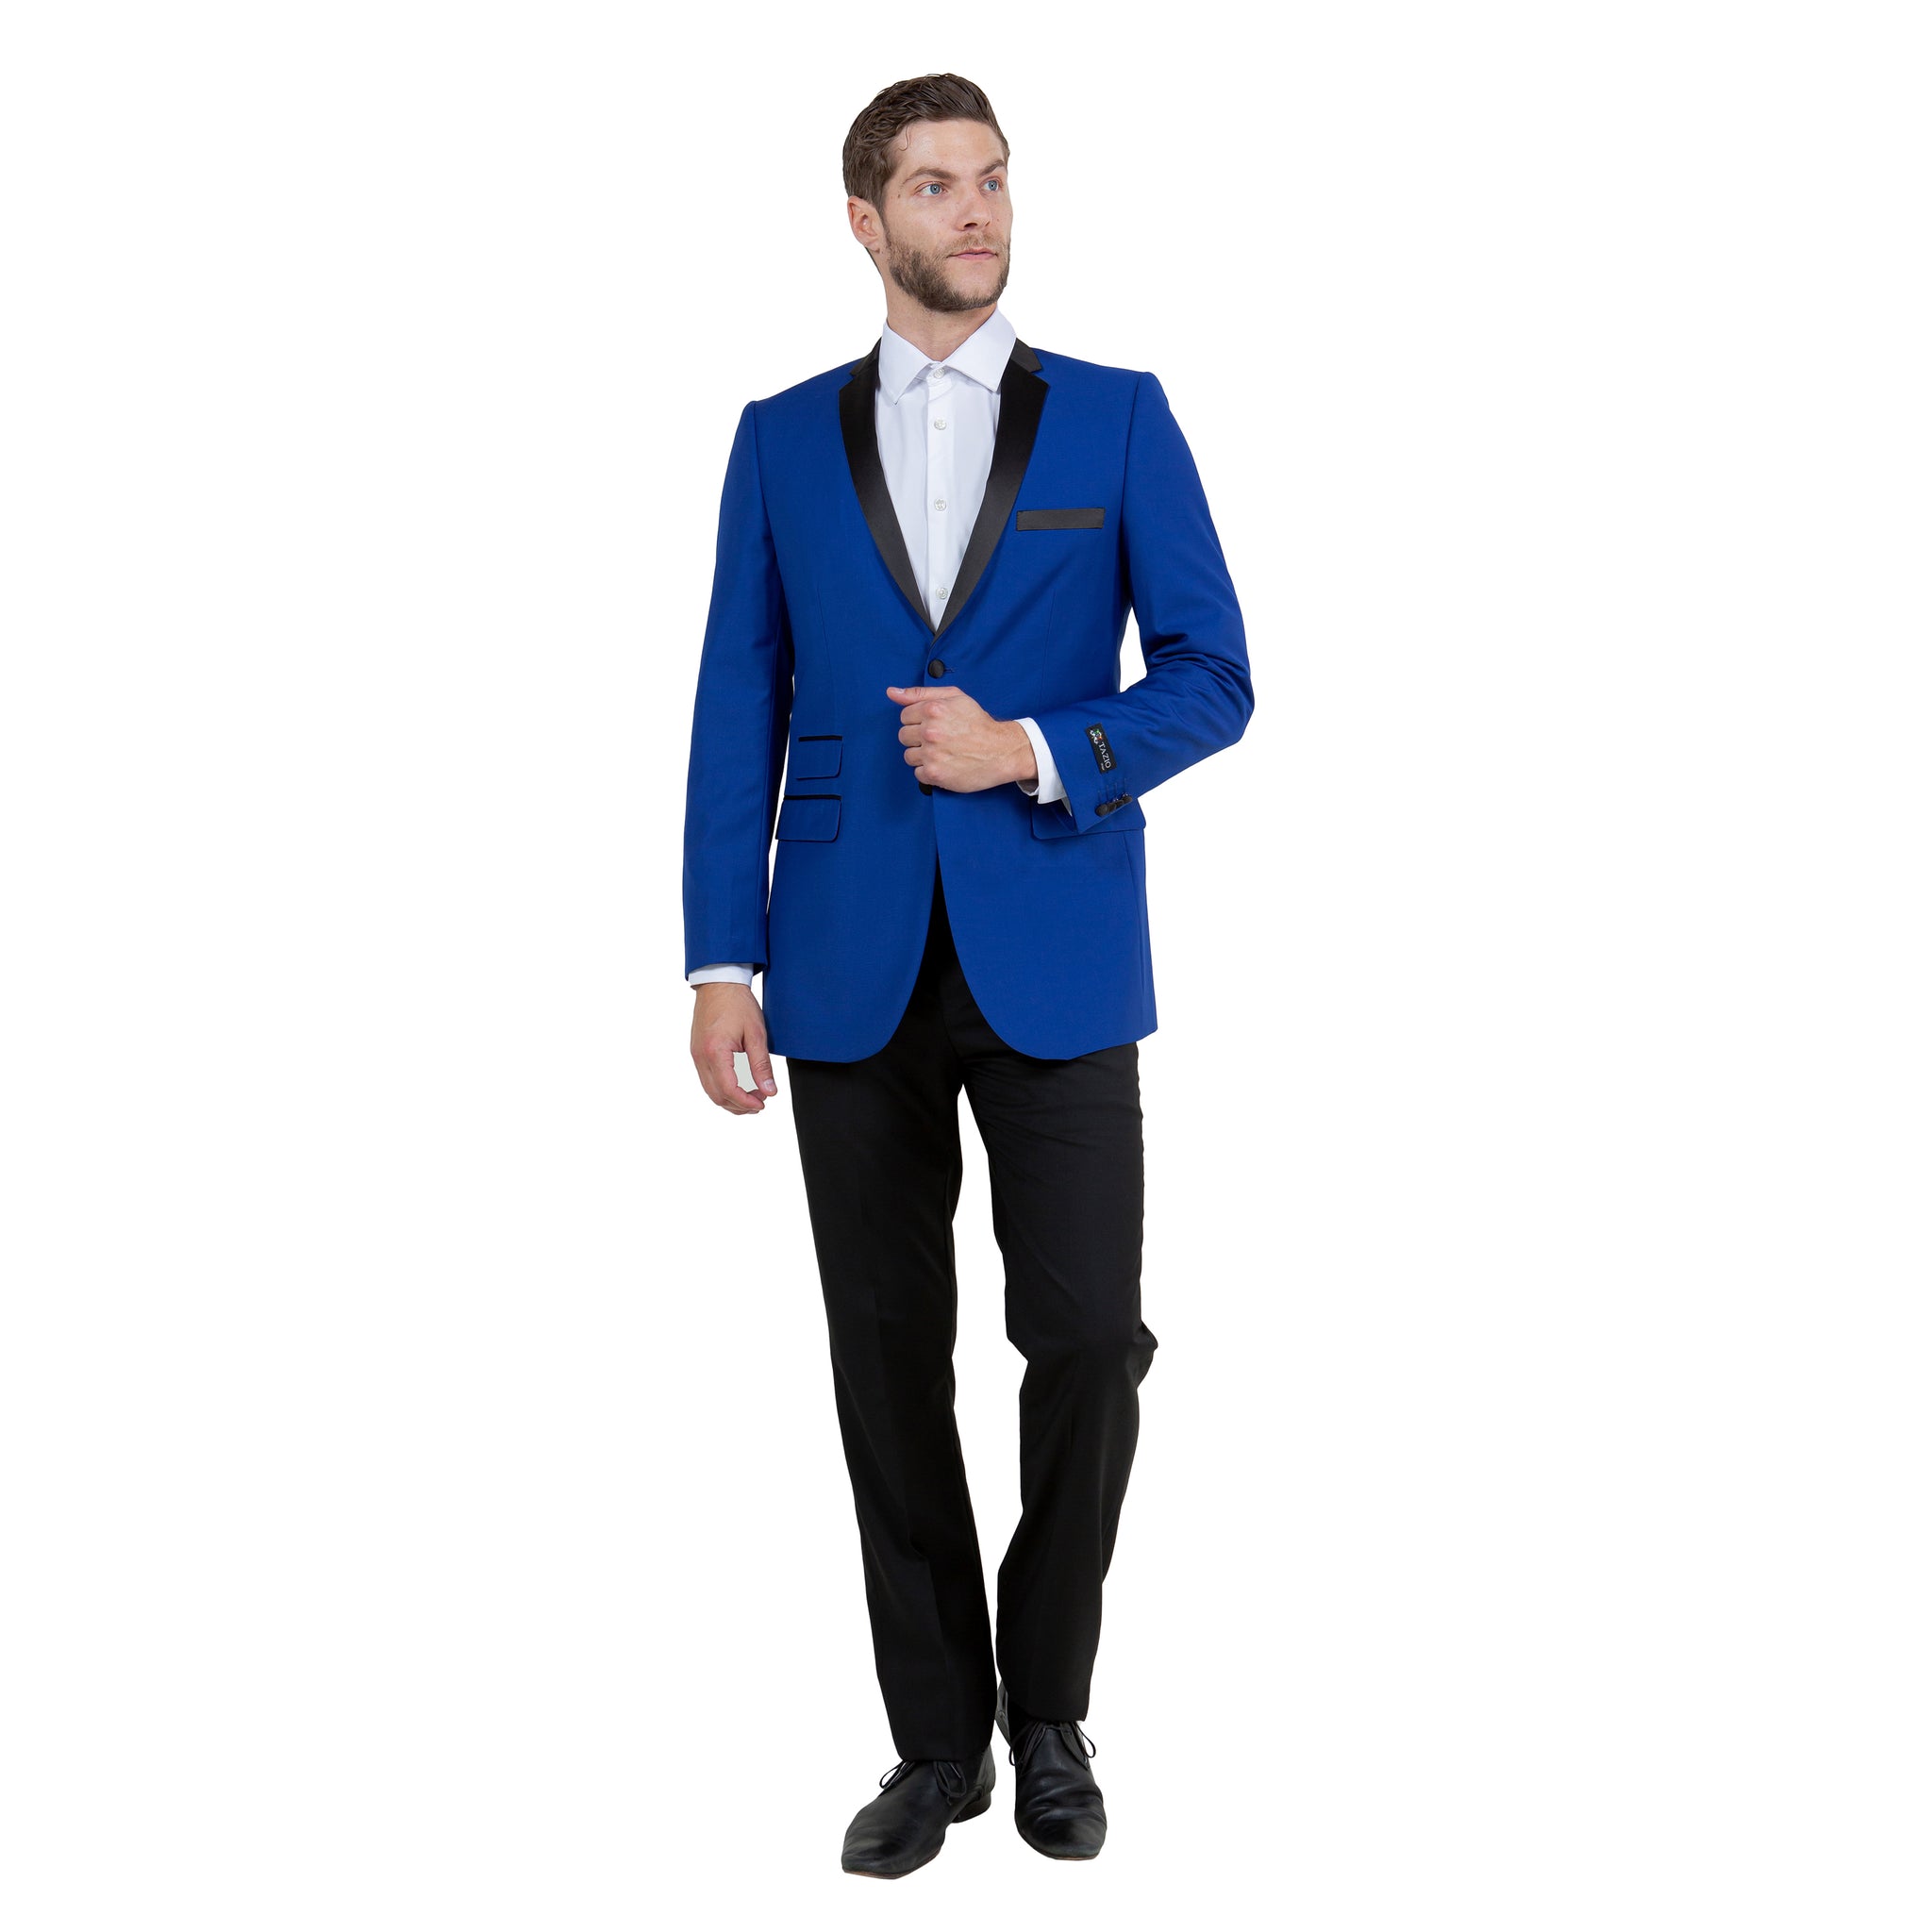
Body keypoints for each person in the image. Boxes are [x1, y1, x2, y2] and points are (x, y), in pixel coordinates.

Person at [681, 72, 1253, 1879]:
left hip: (1057, 946)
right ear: (867, 222)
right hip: (842, 960)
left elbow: (1215, 675)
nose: (977, 209)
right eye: (934, 185)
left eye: (993, 178)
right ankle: (936, 1743)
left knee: (1087, 1337)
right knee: (884, 1359)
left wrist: (1038, 749)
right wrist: (718, 959)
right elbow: (736, 702)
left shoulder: (1119, 417)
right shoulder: (781, 438)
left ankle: (1050, 1706)